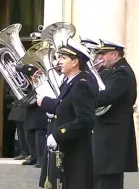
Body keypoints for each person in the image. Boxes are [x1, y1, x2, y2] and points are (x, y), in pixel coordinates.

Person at [37, 38, 98, 189]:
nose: (59, 61)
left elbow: (86, 120)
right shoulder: (69, 82)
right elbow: (65, 107)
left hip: (75, 152)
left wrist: (59, 133)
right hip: (64, 149)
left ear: (75, 62)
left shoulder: (81, 84)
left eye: (63, 58)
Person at [92, 39, 138, 189]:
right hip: (107, 129)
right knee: (101, 173)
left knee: (109, 176)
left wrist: (83, 96)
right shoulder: (112, 70)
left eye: (104, 54)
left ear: (114, 54)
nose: (100, 58)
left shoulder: (122, 72)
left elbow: (107, 96)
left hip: (113, 132)